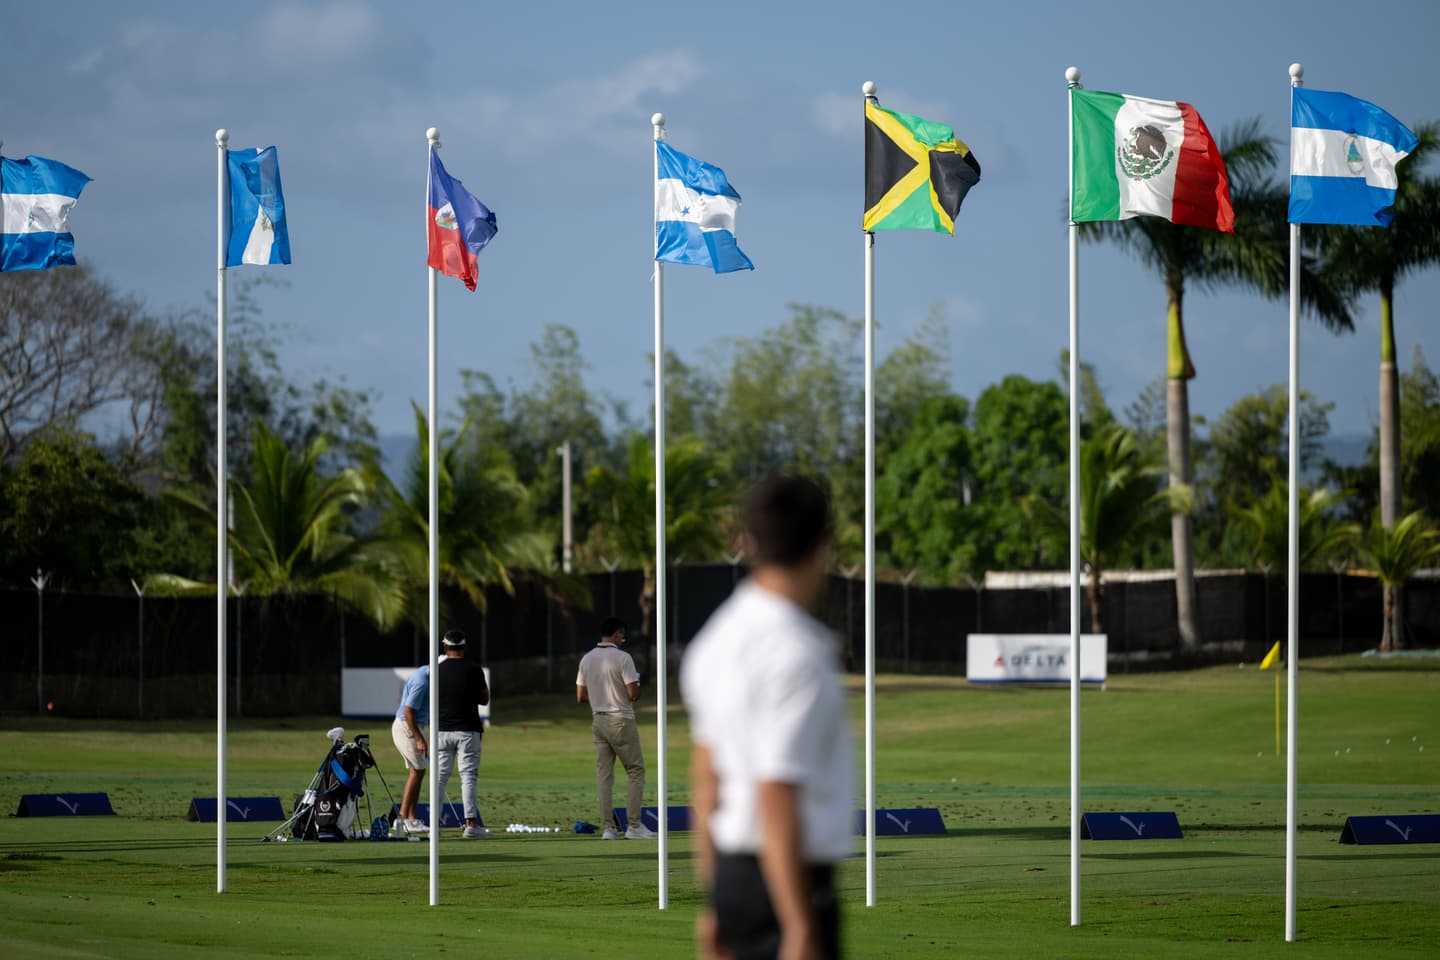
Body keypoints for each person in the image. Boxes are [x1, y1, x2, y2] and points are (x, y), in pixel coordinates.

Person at [681, 475, 853, 960]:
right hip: (788, 885)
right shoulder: (798, 653)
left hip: (735, 883)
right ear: (823, 546)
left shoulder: (715, 641)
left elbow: (706, 781)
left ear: (747, 543)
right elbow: (776, 792)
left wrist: (715, 902)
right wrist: (800, 926)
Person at [576, 616, 656, 840]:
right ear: (618, 633)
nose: (623, 639)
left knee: (604, 776)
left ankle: (609, 828)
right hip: (620, 719)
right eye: (622, 635)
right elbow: (633, 694)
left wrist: (601, 696)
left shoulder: (587, 659)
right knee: (635, 770)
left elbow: (580, 696)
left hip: (598, 720)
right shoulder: (623, 658)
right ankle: (634, 825)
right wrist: (632, 686)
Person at [434, 628, 491, 839]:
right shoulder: (474, 669)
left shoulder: (437, 670)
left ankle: (435, 826)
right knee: (468, 776)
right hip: (468, 730)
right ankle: (470, 825)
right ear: (464, 647)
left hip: (442, 730)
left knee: (440, 778)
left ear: (445, 647)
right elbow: (484, 699)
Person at [391, 658, 431, 836]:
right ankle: (402, 819)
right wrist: (419, 738)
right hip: (406, 726)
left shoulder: (428, 673)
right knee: (416, 771)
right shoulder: (423, 681)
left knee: (420, 771)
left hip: (415, 726)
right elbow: (408, 711)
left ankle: (411, 819)